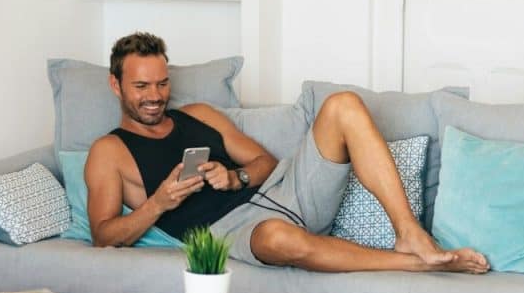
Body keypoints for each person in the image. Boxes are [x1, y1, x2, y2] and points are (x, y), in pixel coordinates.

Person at [85, 32, 489, 274]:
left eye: (161, 84)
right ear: (116, 86)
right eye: (142, 87)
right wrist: (158, 203)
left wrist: (235, 177)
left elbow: (266, 164)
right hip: (235, 231)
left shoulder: (199, 115)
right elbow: (104, 236)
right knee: (277, 238)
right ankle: (420, 265)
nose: (155, 96)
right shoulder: (109, 151)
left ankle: (409, 234)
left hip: (286, 192)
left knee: (343, 104)